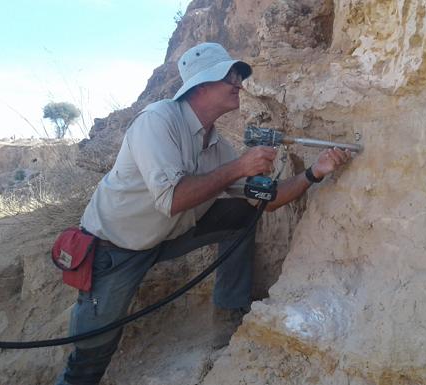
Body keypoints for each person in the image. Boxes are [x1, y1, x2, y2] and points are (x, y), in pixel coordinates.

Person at [55, 42, 351, 385]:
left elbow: (265, 202)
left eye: (239, 76)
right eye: (231, 75)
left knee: (242, 214)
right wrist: (240, 166)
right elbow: (172, 199)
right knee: (92, 353)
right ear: (202, 84)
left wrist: (316, 170)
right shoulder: (157, 121)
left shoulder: (216, 145)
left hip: (166, 235)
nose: (239, 83)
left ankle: (229, 314)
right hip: (114, 249)